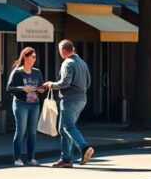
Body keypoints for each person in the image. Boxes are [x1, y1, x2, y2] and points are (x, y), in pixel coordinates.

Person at [44, 40, 94, 168]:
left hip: (70, 99)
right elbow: (88, 82)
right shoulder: (82, 62)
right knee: (63, 129)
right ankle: (66, 159)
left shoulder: (68, 63)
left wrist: (51, 84)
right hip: (82, 99)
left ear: (63, 51)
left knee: (68, 127)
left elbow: (65, 83)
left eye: (59, 50)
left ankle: (84, 147)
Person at [5, 47, 46, 166]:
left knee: (32, 132)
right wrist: (23, 88)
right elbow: (9, 87)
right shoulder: (17, 72)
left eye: (35, 57)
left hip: (34, 104)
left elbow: (40, 86)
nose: (34, 59)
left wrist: (41, 89)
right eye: (32, 57)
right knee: (21, 131)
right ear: (25, 57)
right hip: (20, 104)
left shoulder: (37, 72)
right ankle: (17, 158)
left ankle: (31, 158)